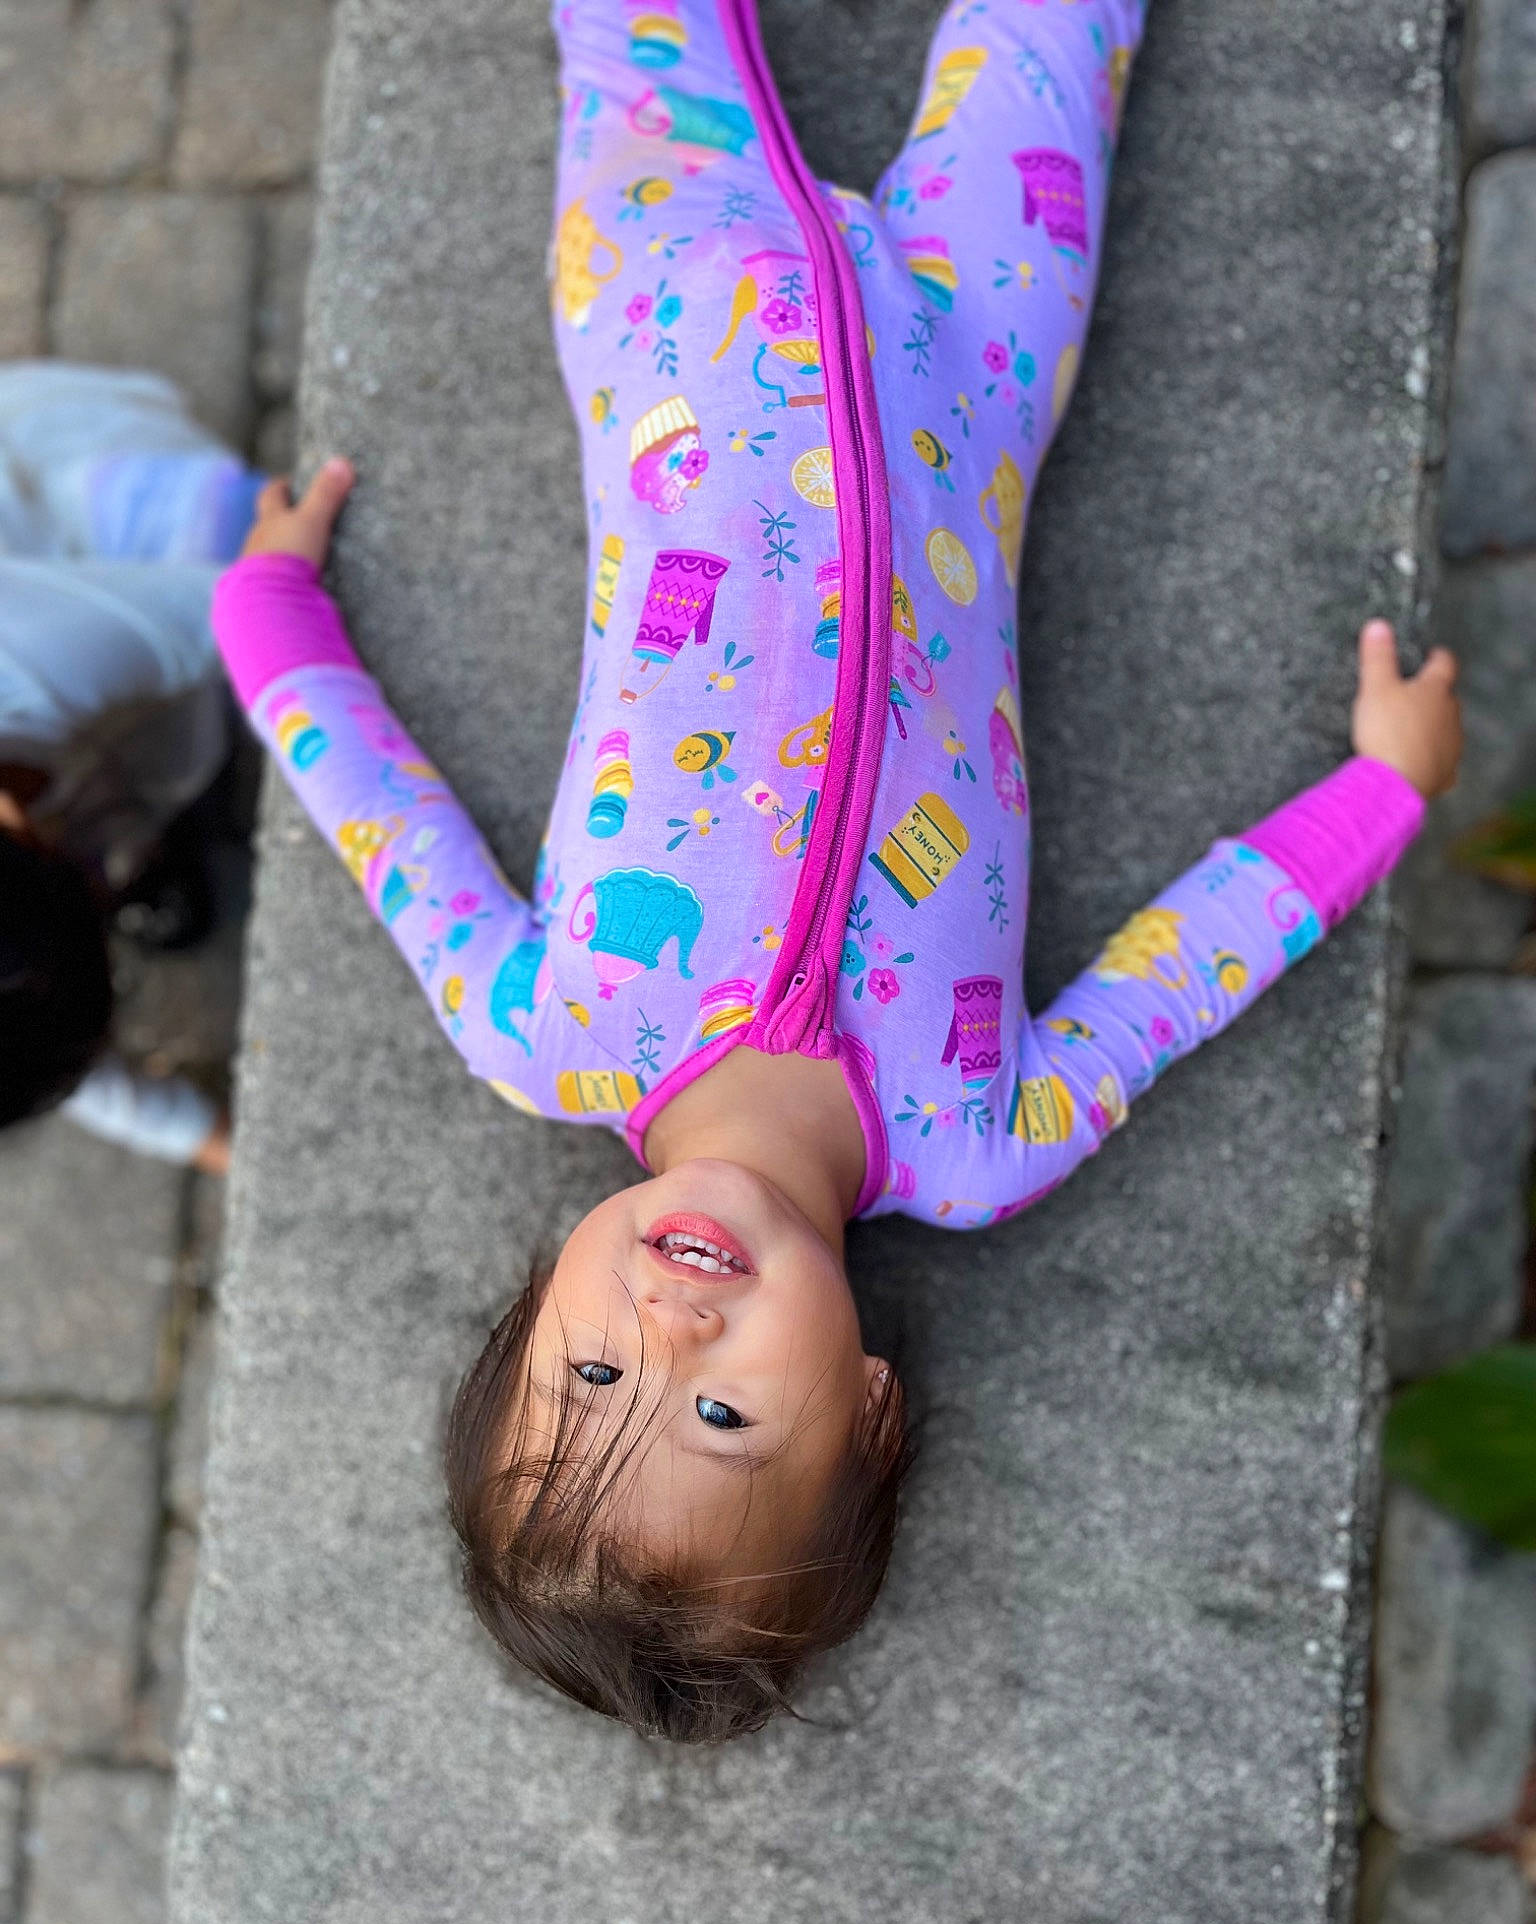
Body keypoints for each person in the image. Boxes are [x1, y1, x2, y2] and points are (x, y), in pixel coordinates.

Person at [212, 0, 1463, 1742]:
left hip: (672, 297)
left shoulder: (552, 1019)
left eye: (590, 1373)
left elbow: (382, 816)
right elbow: (1182, 973)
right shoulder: (976, 1137)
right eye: (723, 1419)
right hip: (979, 345)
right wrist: (1377, 798)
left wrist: (266, 617)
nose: (668, 1327)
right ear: (868, 1412)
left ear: (532, 1307)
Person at [0, 363, 261, 1171]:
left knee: (254, 547)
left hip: (71, 485)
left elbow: (242, 609)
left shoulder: (21, 660)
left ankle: (139, 834)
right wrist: (227, 1150)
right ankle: (137, 836)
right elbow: (61, 1070)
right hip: (58, 732)